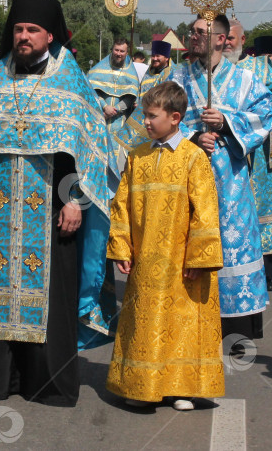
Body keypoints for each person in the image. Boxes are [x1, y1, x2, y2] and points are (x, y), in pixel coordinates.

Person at [0, 0, 115, 406]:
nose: (23, 37)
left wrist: (76, 200)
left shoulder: (71, 82)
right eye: (18, 29)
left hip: (54, 209)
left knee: (52, 296)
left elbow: (87, 151)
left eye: (32, 30)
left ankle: (47, 384)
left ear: (49, 35)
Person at [106, 81, 224, 411]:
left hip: (181, 260)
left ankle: (181, 388)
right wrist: (121, 246)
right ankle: (141, 386)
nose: (145, 121)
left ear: (175, 118)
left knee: (182, 320)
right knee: (145, 320)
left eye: (151, 116)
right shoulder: (137, 156)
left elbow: (205, 208)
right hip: (145, 258)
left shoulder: (193, 157)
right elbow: (122, 203)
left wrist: (199, 257)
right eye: (144, 115)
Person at [170, 13, 272, 344]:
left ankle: (233, 332)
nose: (195, 36)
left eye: (202, 32)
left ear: (221, 39)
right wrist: (192, 136)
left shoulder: (244, 80)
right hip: (186, 179)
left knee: (230, 246)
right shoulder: (177, 77)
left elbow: (267, 112)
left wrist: (227, 122)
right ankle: (188, 325)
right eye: (193, 31)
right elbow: (155, 119)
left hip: (230, 180)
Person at [239, 36, 272, 276]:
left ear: (240, 40)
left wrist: (263, 117)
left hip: (259, 153)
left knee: (263, 207)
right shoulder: (205, 71)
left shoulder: (260, 67)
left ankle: (266, 270)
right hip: (226, 151)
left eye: (231, 38)